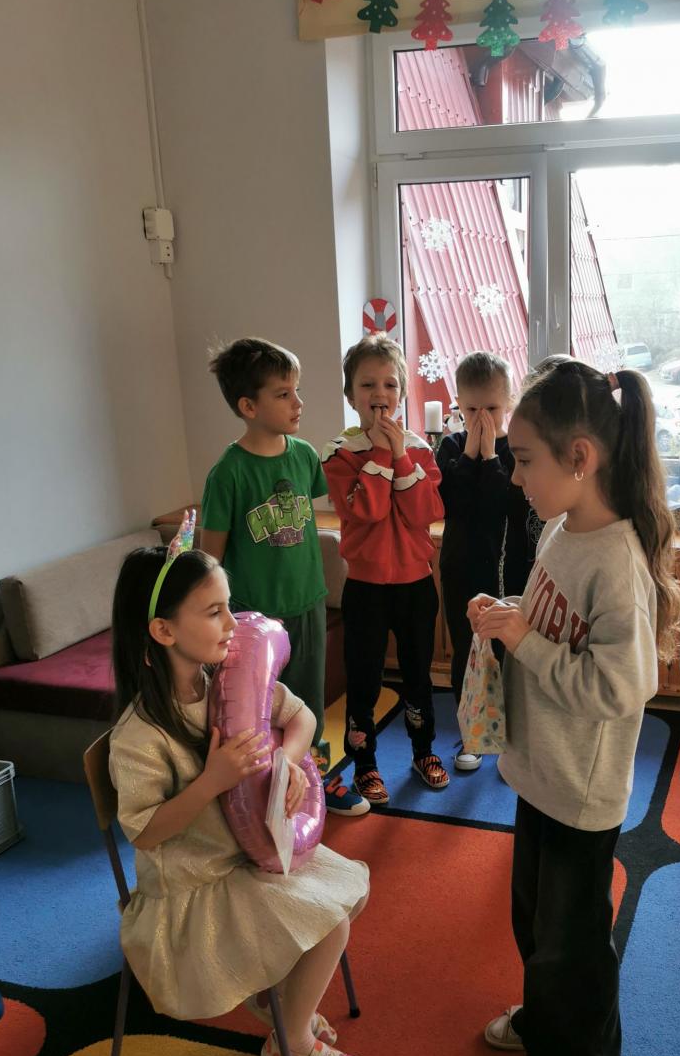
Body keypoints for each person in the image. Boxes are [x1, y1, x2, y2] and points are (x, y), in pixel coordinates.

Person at [470, 359, 680, 1056]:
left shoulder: (617, 562)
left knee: (572, 942)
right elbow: (549, 620)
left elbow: (623, 687)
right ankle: (546, 1015)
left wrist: (523, 639)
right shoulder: (561, 529)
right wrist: (509, 614)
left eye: (525, 459)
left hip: (581, 789)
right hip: (541, 769)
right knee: (536, 920)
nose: (515, 475)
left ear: (580, 457)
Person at [108, 534, 369, 1056]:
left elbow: (301, 716)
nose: (233, 623)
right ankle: (290, 1044)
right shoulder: (139, 735)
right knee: (330, 924)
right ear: (164, 631)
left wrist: (288, 761)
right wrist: (212, 782)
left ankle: (286, 1005)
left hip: (244, 860)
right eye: (214, 612)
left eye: (229, 606)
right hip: (192, 890)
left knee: (343, 894)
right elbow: (146, 833)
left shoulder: (225, 681)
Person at [201, 337, 369, 818]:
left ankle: (315, 779)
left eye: (297, 391)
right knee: (258, 710)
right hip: (254, 619)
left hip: (307, 603)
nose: (298, 403)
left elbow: (328, 509)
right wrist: (215, 622)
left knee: (308, 705)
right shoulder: (228, 473)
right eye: (283, 394)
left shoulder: (303, 456)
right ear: (248, 406)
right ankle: (260, 792)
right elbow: (208, 560)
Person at [321, 332, 448, 804]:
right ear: (350, 394)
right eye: (368, 384)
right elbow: (367, 510)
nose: (380, 394)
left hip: (416, 585)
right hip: (366, 588)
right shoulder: (338, 452)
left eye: (390, 384)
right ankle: (364, 764)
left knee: (418, 676)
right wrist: (379, 453)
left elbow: (424, 513)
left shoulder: (419, 448)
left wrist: (398, 454)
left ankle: (423, 751)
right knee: (364, 680)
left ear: (402, 393)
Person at [436, 352, 533, 772]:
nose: (482, 419)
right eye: (472, 410)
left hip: (508, 570)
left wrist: (491, 457)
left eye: (491, 409)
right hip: (462, 568)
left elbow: (507, 504)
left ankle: (511, 739)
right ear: (458, 403)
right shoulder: (450, 447)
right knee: (467, 651)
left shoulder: (517, 450)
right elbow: (451, 503)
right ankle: (472, 734)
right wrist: (470, 455)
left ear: (508, 402)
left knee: (511, 653)